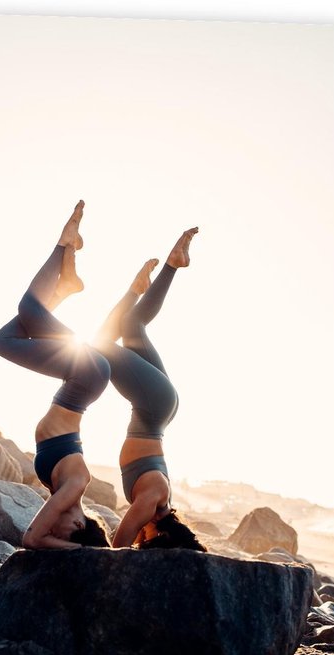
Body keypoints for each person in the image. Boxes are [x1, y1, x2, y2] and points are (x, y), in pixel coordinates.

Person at [0, 201, 111, 550]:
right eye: (63, 533)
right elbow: (33, 538)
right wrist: (83, 553)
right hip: (85, 377)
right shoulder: (74, 488)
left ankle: (64, 287)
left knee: (5, 340)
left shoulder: (64, 490)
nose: (52, 528)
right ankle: (63, 244)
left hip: (79, 381)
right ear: (78, 523)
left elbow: (41, 535)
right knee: (28, 309)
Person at [94, 227, 207, 551]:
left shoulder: (159, 505)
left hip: (158, 409)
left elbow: (132, 534)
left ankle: (169, 266)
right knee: (99, 344)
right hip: (153, 406)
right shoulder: (153, 504)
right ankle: (144, 283)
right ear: (161, 536)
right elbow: (119, 544)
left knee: (131, 326)